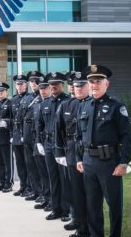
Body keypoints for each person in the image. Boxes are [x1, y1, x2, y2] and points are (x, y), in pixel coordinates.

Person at [76, 65, 131, 237]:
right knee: (92, 206)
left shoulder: (117, 107)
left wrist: (124, 162)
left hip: (109, 163)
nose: (94, 84)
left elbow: (127, 136)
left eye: (98, 81)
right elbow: (79, 135)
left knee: (114, 206)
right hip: (88, 163)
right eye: (91, 81)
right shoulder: (84, 106)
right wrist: (80, 158)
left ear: (106, 83)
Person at [55, 71, 90, 237]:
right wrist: (60, 152)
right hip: (71, 151)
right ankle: (79, 222)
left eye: (80, 85)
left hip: (89, 153)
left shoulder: (92, 103)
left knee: (90, 192)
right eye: (74, 85)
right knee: (75, 190)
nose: (76, 88)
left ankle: (88, 226)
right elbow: (59, 129)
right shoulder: (66, 105)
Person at [36, 72, 71, 221]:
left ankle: (66, 210)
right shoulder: (44, 103)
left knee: (64, 179)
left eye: (56, 83)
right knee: (53, 178)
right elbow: (39, 124)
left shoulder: (68, 102)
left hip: (63, 145)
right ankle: (56, 208)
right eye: (51, 84)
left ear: (62, 85)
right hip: (49, 144)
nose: (53, 86)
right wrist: (39, 141)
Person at [19, 71, 43, 201]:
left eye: (36, 82)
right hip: (27, 135)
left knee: (39, 166)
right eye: (32, 82)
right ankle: (34, 191)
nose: (34, 84)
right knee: (30, 166)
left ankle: (42, 193)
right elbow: (21, 118)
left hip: (37, 135)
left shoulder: (42, 97)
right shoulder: (27, 98)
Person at [33, 76, 52, 211]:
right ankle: (46, 198)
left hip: (50, 144)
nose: (42, 91)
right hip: (39, 142)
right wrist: (38, 143)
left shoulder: (54, 103)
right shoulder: (37, 103)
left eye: (45, 88)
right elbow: (37, 125)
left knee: (51, 174)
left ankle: (53, 201)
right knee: (42, 173)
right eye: (40, 88)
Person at [10, 74, 29, 196]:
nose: (19, 86)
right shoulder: (13, 99)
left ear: (26, 85)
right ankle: (23, 186)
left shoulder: (30, 98)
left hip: (26, 136)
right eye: (17, 84)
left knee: (29, 164)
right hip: (16, 136)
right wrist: (12, 135)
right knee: (20, 163)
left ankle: (30, 187)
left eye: (22, 83)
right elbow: (12, 119)